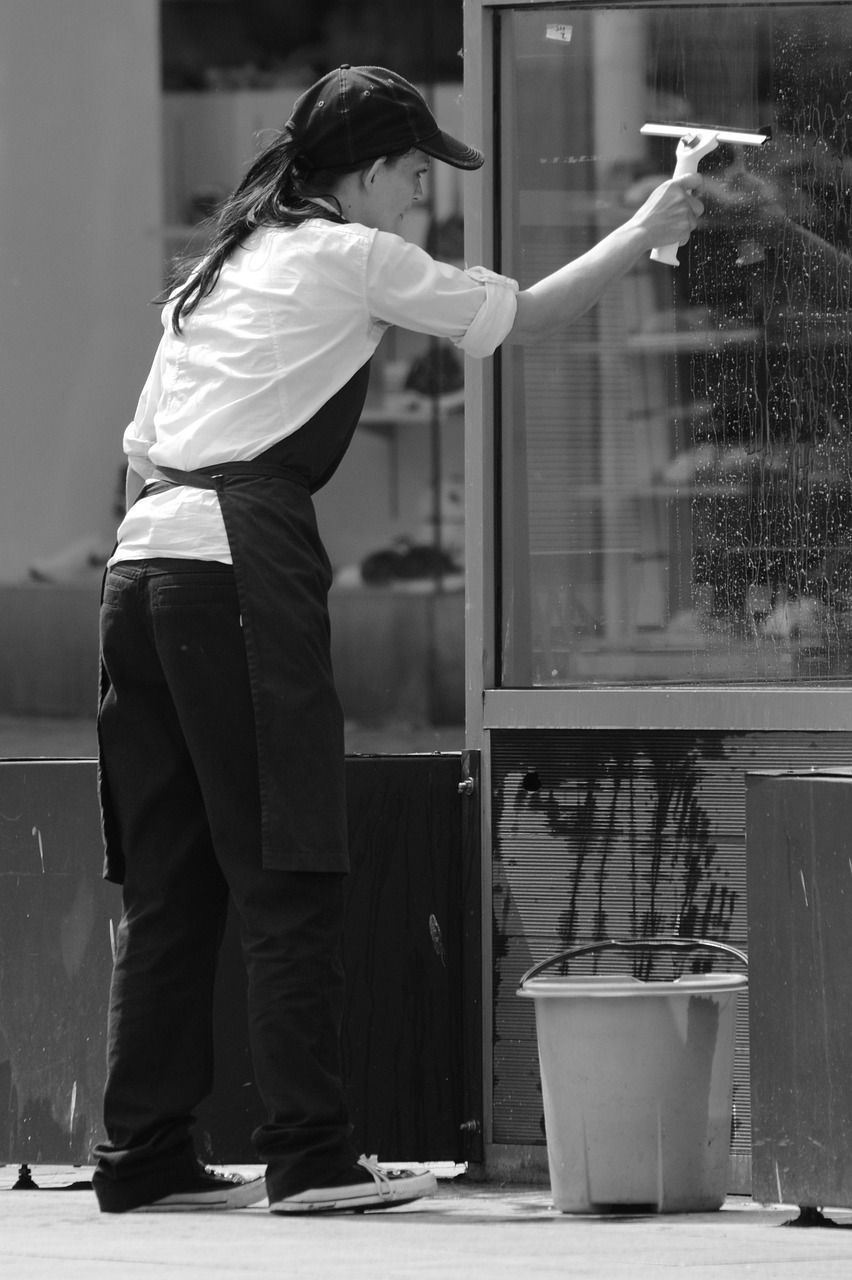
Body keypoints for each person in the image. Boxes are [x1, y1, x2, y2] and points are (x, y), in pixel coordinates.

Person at [92, 64, 703, 1215]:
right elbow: (522, 316)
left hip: (138, 564)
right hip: (235, 554)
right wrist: (645, 227)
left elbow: (135, 449)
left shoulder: (222, 265)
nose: (422, 201)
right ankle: (310, 1151)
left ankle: (144, 1149)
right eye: (417, 176)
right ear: (370, 174)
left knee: (172, 881)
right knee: (288, 862)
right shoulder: (350, 255)